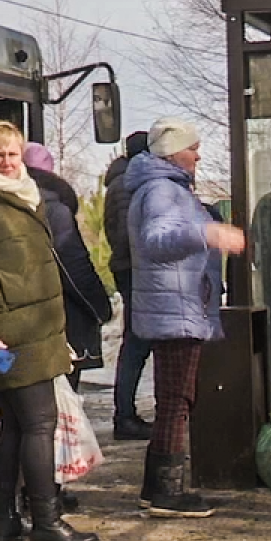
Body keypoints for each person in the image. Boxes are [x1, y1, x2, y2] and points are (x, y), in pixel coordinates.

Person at [0, 121, 99, 541]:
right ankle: (46, 523)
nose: (9, 163)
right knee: (38, 423)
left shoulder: (18, 195)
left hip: (35, 330)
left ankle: (7, 523)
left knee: (16, 426)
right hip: (10, 336)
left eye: (14, 154)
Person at [125, 118, 247, 517]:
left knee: (174, 398)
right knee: (176, 399)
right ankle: (167, 492)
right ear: (171, 151)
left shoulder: (168, 188)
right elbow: (155, 242)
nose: (198, 154)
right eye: (192, 147)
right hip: (174, 309)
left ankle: (156, 487)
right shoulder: (163, 190)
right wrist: (208, 234)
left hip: (176, 306)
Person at [24, 142, 112, 511]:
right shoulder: (53, 209)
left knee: (25, 417)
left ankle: (30, 493)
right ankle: (47, 493)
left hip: (24, 325)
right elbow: (74, 266)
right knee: (51, 414)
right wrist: (101, 307)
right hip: (59, 324)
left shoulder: (13, 204)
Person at [102, 131, 155, 440]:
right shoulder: (129, 184)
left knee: (136, 340)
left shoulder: (119, 182)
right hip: (135, 269)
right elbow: (126, 234)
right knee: (137, 342)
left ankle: (126, 413)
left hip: (127, 268)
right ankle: (125, 415)